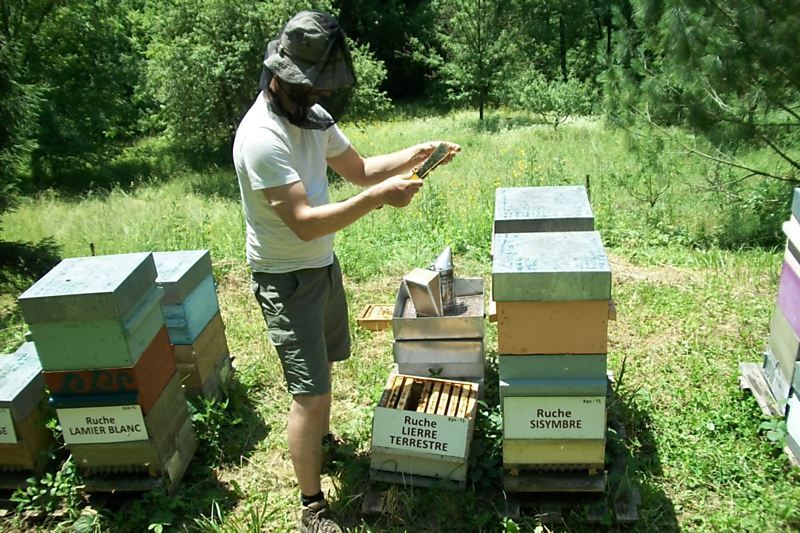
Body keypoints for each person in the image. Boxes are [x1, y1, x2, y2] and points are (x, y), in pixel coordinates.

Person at [233, 10, 459, 533]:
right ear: (279, 76)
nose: (318, 96)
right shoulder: (261, 138)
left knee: (326, 369)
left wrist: (416, 155)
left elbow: (357, 170)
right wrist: (379, 199)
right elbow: (306, 223)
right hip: (286, 278)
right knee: (309, 392)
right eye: (308, 86)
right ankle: (312, 504)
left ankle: (322, 443)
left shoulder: (309, 114)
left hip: (322, 266)